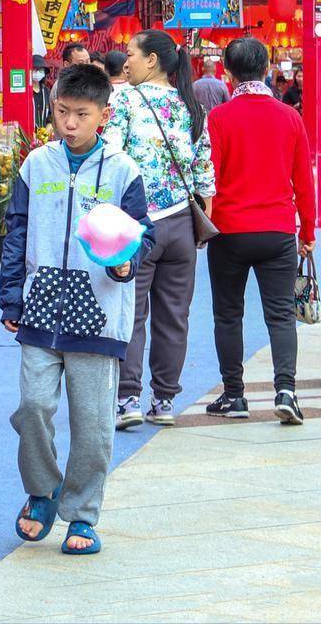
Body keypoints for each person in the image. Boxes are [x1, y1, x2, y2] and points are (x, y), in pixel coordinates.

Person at [0, 62, 151, 555]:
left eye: (81, 114)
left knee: (92, 422)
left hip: (100, 315)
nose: (68, 123)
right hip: (39, 311)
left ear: (103, 115)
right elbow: (16, 232)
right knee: (33, 407)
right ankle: (42, 491)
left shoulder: (124, 172)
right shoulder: (35, 165)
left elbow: (140, 235)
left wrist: (125, 265)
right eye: (61, 111)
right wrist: (10, 296)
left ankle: (82, 514)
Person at [204, 36, 315, 426]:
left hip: (229, 231)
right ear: (267, 68)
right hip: (278, 229)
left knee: (228, 315)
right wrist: (309, 232)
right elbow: (304, 180)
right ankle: (286, 390)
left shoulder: (218, 118)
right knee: (281, 315)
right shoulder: (289, 116)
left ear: (228, 73)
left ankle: (234, 395)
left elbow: (209, 177)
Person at [108, 29, 215, 430]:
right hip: (182, 226)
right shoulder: (192, 106)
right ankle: (165, 399)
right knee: (175, 316)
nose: (126, 62)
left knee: (131, 313)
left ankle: (128, 398)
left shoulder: (125, 100)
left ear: (152, 60)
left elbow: (113, 159)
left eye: (132, 55)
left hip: (139, 225)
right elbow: (205, 177)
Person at [31, 58, 53, 131]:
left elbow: (51, 115)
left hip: (43, 135)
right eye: (34, 69)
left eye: (40, 70)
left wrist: (47, 130)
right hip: (28, 135)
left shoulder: (47, 91)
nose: (37, 72)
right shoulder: (26, 92)